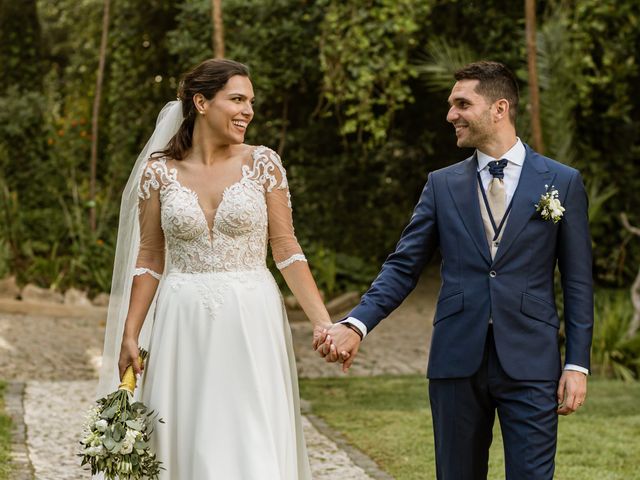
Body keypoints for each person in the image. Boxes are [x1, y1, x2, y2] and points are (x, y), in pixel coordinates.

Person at [315, 61, 594, 479]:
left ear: (499, 108)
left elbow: (577, 281)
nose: (451, 115)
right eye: (451, 104)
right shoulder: (441, 184)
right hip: (455, 359)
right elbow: (403, 266)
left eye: (462, 104)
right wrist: (356, 324)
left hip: (532, 360)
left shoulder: (561, 181)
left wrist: (576, 364)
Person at [97, 58, 334, 479]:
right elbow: (150, 257)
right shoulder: (159, 173)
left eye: (251, 102)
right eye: (237, 99)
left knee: (250, 431)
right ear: (202, 102)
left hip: (250, 316)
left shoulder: (263, 164)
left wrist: (323, 323)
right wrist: (130, 333)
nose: (248, 111)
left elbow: (286, 249)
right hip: (180, 318)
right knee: (185, 433)